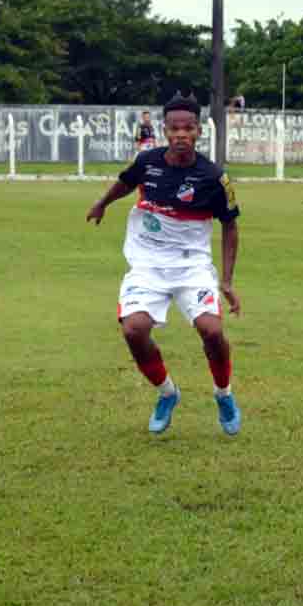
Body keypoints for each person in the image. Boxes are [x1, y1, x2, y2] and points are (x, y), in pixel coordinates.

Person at [86, 91, 243, 436]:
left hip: (192, 268)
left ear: (199, 131)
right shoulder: (148, 161)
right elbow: (126, 183)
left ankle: (224, 394)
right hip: (147, 265)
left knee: (212, 332)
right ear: (165, 129)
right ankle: (167, 393)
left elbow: (230, 225)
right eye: (174, 128)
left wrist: (227, 281)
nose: (181, 134)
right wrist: (102, 203)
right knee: (133, 330)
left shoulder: (215, 177)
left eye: (188, 128)